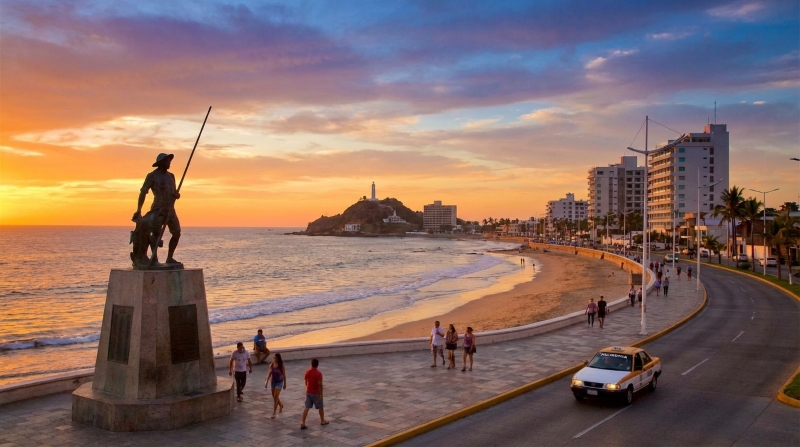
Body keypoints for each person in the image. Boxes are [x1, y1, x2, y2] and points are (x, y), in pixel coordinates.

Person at [130, 153, 182, 268]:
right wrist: (139, 210)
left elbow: (173, 192)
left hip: (170, 209)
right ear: (162, 163)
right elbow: (143, 192)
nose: (170, 163)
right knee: (156, 234)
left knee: (177, 232)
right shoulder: (152, 176)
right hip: (158, 209)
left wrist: (176, 195)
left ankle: (169, 258)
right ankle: (154, 259)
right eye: (167, 161)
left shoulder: (171, 176)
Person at [301, 359, 328, 429]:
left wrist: (307, 388)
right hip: (316, 393)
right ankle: (322, 420)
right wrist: (321, 394)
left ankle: (303, 423)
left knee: (307, 407)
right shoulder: (319, 374)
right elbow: (320, 385)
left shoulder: (307, 372)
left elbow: (306, 381)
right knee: (320, 407)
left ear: (311, 364)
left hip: (308, 392)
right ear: (317, 365)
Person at [265, 353, 286, 418]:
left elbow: (284, 375)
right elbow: (269, 374)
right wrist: (266, 382)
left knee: (276, 396)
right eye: (273, 357)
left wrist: (285, 383)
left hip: (279, 382)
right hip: (273, 382)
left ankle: (274, 412)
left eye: (275, 358)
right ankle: (281, 405)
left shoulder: (281, 366)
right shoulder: (271, 365)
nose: (274, 359)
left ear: (278, 358)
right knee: (274, 396)